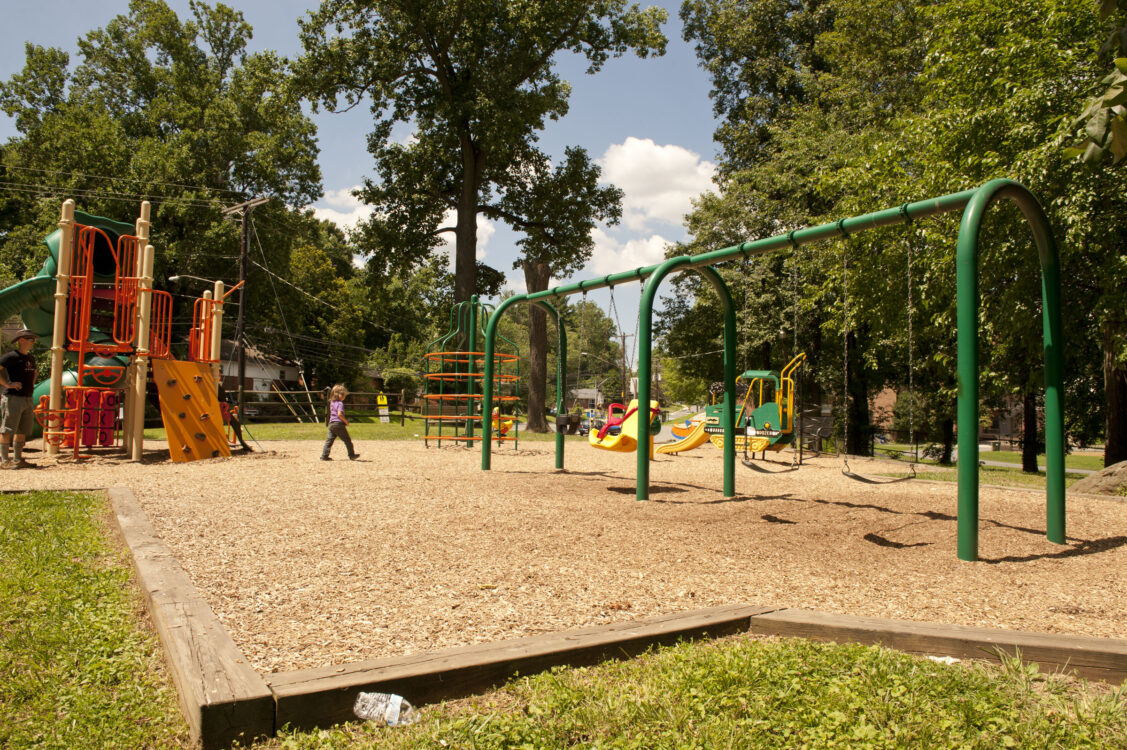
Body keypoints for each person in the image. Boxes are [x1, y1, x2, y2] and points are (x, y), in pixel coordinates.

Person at [1, 328, 39, 469]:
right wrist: (7, 384)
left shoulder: (30, 358)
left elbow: (34, 372)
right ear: (21, 340)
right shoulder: (11, 356)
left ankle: (18, 459)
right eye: (31, 339)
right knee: (7, 429)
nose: (33, 342)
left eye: (34, 339)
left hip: (27, 398)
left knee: (22, 430)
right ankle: (4, 461)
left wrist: (32, 384)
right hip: (13, 398)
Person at [320, 383, 359, 461]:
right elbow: (339, 414)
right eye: (344, 395)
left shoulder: (332, 403)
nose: (344, 397)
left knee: (329, 441)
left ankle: (324, 456)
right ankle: (351, 455)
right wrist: (346, 421)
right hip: (339, 424)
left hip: (331, 424)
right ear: (341, 395)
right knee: (347, 440)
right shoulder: (340, 403)